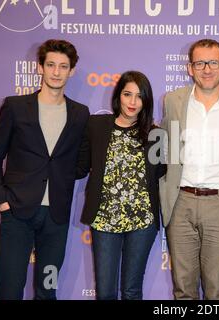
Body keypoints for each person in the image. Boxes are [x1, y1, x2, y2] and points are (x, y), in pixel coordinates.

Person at [0, 39, 89, 300]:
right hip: (17, 215)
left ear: (71, 71)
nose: (56, 72)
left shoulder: (80, 114)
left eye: (63, 66)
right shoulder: (16, 107)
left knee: (48, 288)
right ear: (40, 67)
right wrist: (1, 201)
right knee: (9, 289)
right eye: (51, 65)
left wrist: (61, 182)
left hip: (56, 219)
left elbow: (81, 162)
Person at [159, 39, 219, 299]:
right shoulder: (173, 101)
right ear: (190, 68)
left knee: (216, 289)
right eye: (200, 63)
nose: (207, 69)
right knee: (183, 289)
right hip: (180, 203)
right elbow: (163, 147)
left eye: (213, 62)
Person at [77, 71, 166, 300]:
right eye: (127, 94)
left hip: (142, 221)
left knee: (131, 290)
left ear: (146, 101)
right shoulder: (96, 125)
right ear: (118, 96)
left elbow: (162, 174)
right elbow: (81, 165)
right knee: (105, 292)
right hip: (104, 219)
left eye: (139, 96)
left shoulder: (156, 135)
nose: (133, 102)